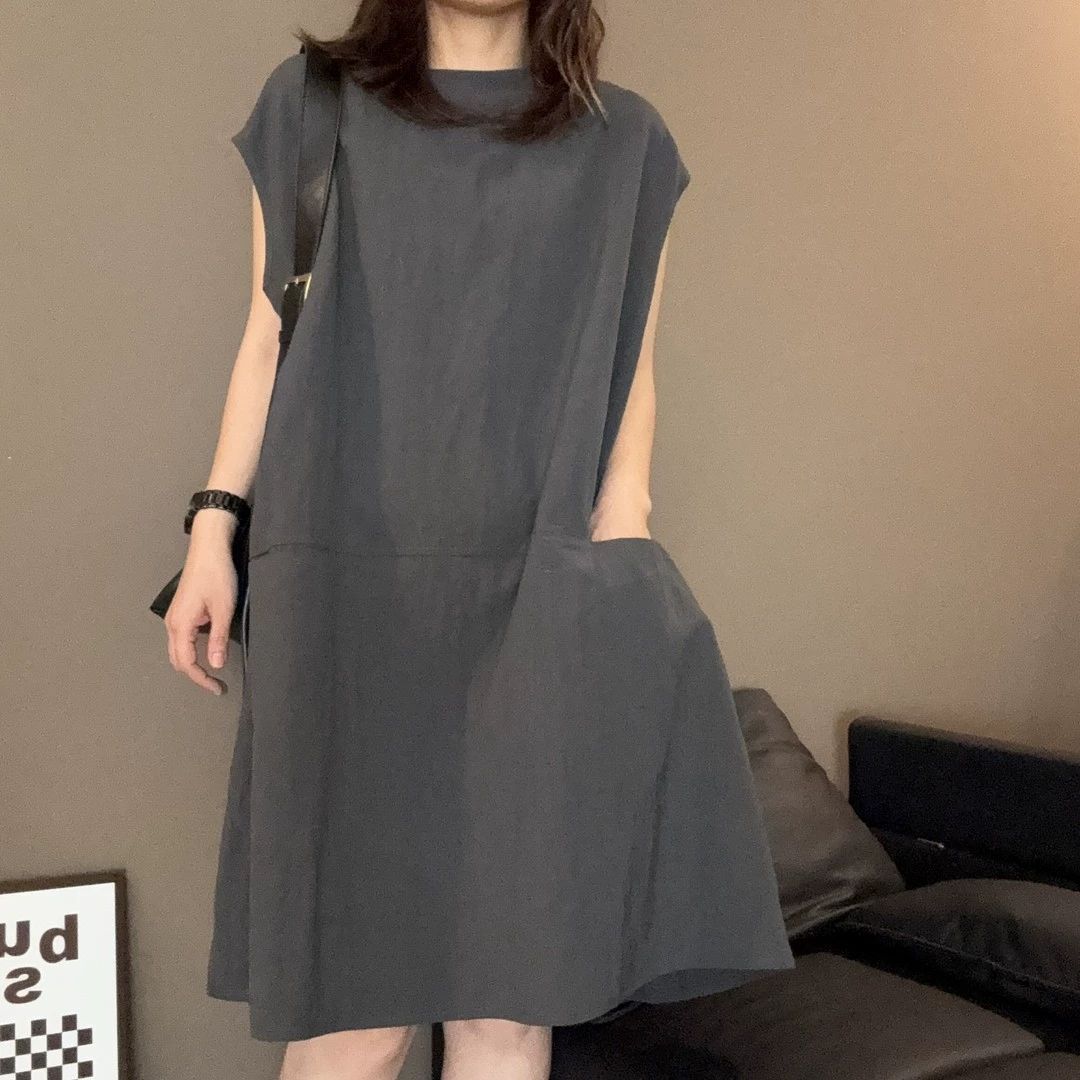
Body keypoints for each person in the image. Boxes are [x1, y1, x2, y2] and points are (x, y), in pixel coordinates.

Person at [163, 1, 795, 1077]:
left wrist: (621, 543)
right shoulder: (313, 106)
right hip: (344, 594)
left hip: (539, 597)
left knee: (508, 1008)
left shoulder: (627, 142)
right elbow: (270, 333)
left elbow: (629, 369)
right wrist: (213, 527)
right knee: (353, 1009)